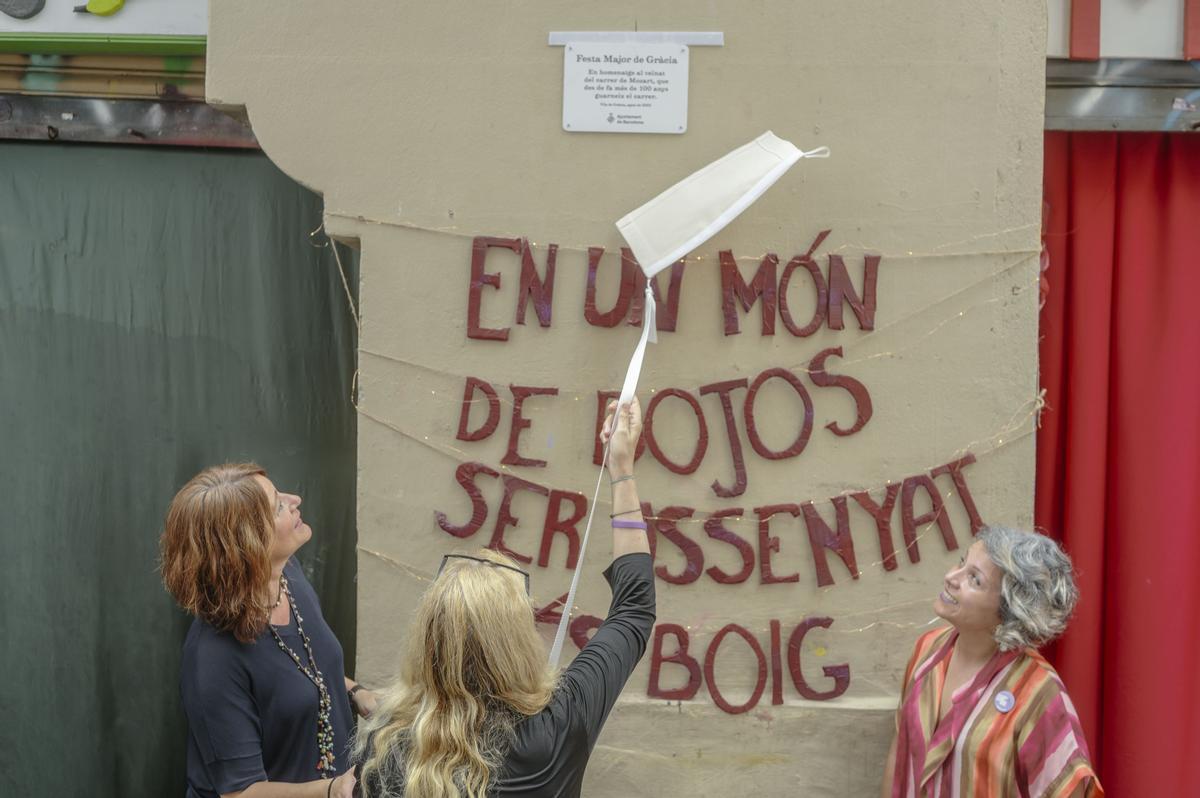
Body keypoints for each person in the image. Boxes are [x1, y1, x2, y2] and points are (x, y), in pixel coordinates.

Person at [352, 397, 654, 798]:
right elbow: (633, 609)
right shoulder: (558, 725)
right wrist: (621, 469)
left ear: (428, 642)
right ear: (514, 645)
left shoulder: (387, 748)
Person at [161, 463, 377, 798]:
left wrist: (354, 691)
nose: (295, 500)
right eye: (278, 505)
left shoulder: (289, 578)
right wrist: (332, 789)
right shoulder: (213, 658)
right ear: (247, 544)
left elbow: (300, 670)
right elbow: (240, 792)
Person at [881, 527, 1103, 797]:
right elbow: (899, 752)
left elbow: (1067, 791)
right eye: (962, 563)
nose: (951, 577)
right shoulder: (927, 650)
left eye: (974, 579)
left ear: (1010, 611)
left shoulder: (1038, 693)